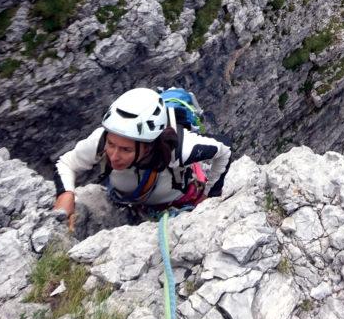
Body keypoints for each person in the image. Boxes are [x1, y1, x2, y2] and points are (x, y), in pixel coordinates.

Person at [52, 87, 232, 227]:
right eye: (111, 145)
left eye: (125, 149)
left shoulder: (179, 149)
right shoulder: (100, 139)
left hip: (177, 202)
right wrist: (66, 193)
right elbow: (66, 162)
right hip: (128, 200)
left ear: (148, 146)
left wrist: (210, 194)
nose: (114, 156)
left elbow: (224, 149)